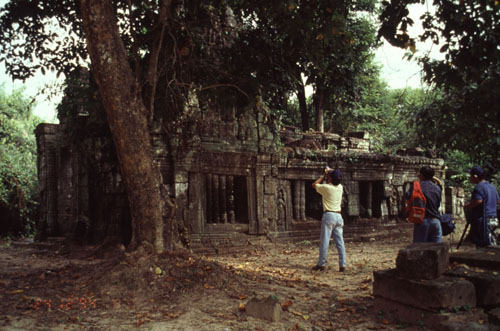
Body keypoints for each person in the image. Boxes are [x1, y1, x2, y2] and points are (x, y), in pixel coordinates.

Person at [311, 167, 346, 272]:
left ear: (330, 178)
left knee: (325, 241)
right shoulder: (340, 187)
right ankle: (342, 265)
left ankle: (321, 264)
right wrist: (330, 172)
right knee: (340, 242)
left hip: (329, 216)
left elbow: (314, 184)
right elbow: (336, 176)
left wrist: (324, 176)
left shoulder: (326, 187)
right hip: (339, 217)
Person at [464, 166, 499, 247]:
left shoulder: (479, 187)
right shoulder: (492, 187)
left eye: (471, 176)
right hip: (494, 219)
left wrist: (468, 206)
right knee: (493, 244)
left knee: (483, 245)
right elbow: (497, 200)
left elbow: (478, 201)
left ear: (475, 176)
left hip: (484, 220)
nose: (470, 178)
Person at [406, 166, 443, 243]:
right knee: (437, 250)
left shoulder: (416, 187)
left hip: (422, 221)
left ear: (421, 175)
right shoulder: (437, 188)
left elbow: (408, 197)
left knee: (419, 250)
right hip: (436, 221)